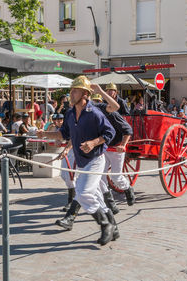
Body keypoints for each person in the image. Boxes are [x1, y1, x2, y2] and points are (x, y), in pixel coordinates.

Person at [37, 76, 118, 246]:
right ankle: (114, 227)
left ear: (85, 94)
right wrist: (44, 134)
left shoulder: (94, 113)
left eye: (75, 90)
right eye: (71, 90)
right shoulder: (70, 113)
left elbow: (110, 132)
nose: (71, 93)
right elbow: (63, 134)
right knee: (94, 195)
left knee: (83, 193)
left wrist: (93, 142)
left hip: (95, 159)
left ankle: (105, 225)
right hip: (82, 162)